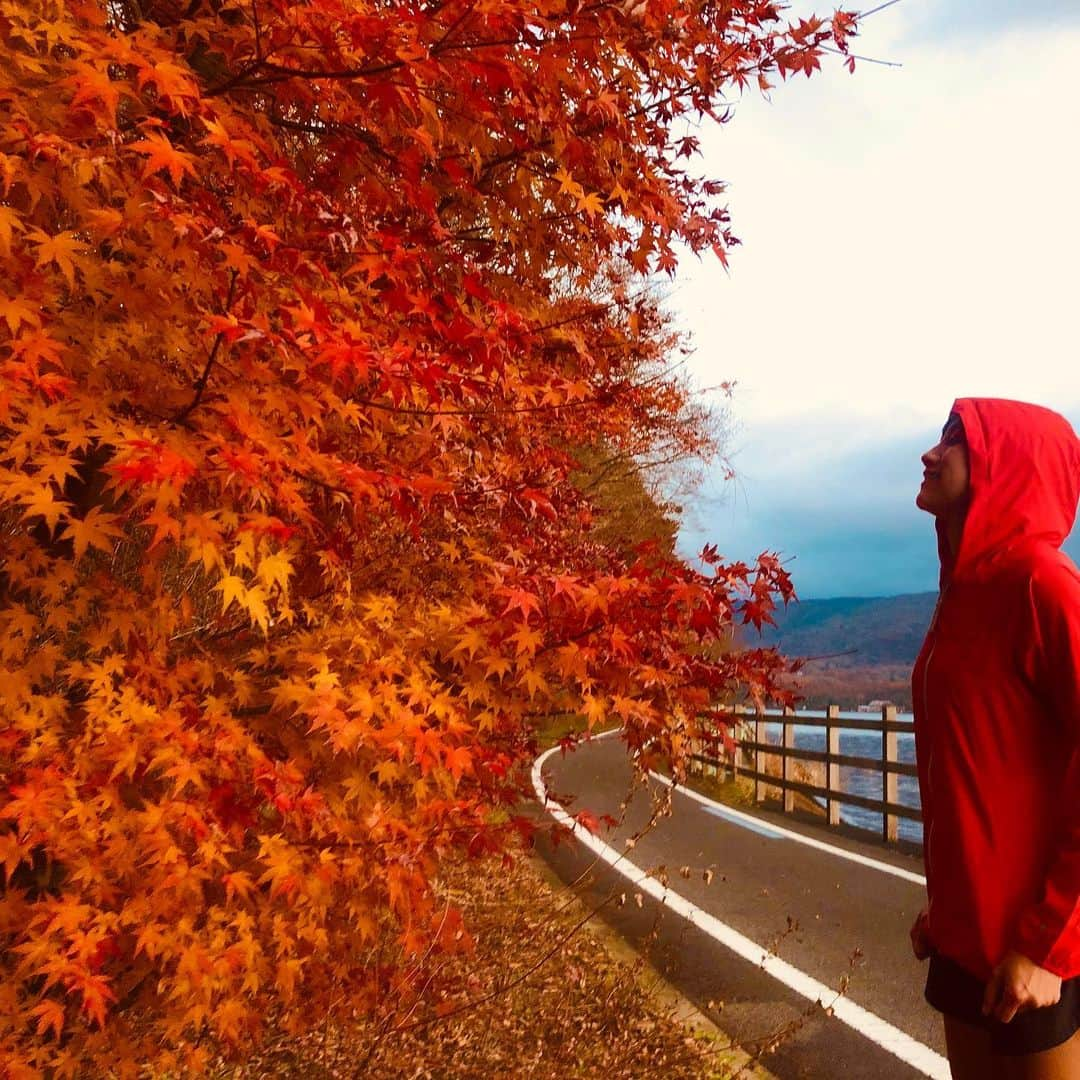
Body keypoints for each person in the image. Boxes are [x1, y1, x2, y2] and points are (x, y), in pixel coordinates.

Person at [910, 398, 1080, 1079]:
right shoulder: (961, 596)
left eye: (956, 440)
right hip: (966, 941)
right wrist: (947, 911)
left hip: (1036, 949)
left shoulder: (1044, 586)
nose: (931, 452)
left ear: (1009, 464)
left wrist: (1047, 946)